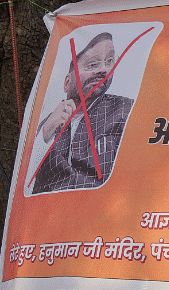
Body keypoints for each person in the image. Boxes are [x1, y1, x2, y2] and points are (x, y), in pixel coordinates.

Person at [31, 32, 135, 194]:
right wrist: (45, 132)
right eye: (92, 65)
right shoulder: (47, 125)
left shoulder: (125, 110)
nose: (103, 70)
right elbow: (27, 177)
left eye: (109, 62)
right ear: (67, 82)